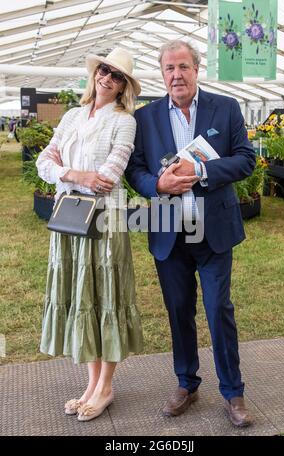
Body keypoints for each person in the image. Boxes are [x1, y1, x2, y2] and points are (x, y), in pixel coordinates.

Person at [125, 40, 256, 427]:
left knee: (218, 311)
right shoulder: (145, 117)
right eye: (169, 68)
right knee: (178, 311)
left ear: (197, 69)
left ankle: (233, 392)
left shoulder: (225, 108)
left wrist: (200, 173)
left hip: (214, 229)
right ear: (162, 74)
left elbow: (245, 159)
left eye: (183, 66)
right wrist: (157, 186)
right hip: (169, 229)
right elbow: (135, 170)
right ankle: (186, 383)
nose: (176, 75)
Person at [36, 47, 143, 422]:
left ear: (123, 86)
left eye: (116, 75)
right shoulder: (71, 116)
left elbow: (108, 178)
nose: (107, 78)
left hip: (104, 222)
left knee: (106, 297)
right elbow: (43, 163)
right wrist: (76, 175)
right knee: (84, 296)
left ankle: (106, 387)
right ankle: (92, 385)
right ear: (95, 73)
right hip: (69, 221)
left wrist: (69, 174)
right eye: (104, 70)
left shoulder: (124, 121)